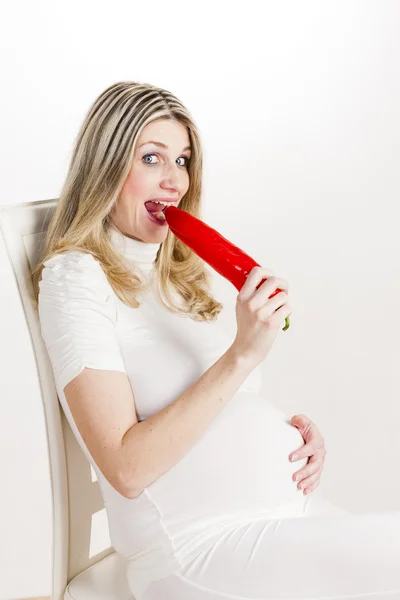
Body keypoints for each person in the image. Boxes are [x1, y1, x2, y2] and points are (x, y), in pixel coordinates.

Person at [32, 81, 400, 600]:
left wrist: (286, 435)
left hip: (283, 515)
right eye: (152, 158)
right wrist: (243, 354)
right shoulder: (76, 279)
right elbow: (126, 468)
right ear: (106, 166)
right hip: (198, 549)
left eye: (182, 160)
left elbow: (216, 403)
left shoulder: (174, 273)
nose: (174, 181)